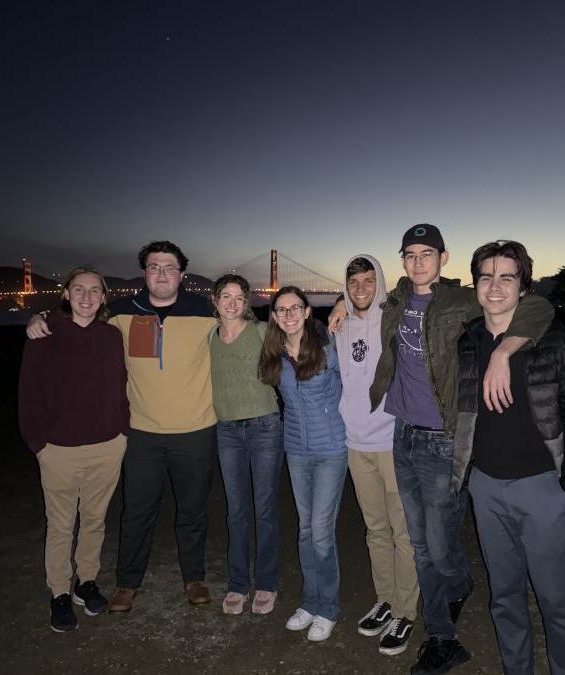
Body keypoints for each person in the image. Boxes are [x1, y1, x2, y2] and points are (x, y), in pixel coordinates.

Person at [367, 224, 555, 675]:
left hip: (443, 438)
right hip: (402, 433)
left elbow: (538, 306)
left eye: (426, 253)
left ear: (443, 258)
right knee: (422, 542)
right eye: (409, 254)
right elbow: (362, 300)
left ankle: (443, 629)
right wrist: (338, 305)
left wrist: (502, 353)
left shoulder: (462, 300)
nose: (417, 262)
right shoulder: (394, 300)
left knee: (434, 542)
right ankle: (449, 608)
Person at [26, 241, 217, 609]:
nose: (161, 273)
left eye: (169, 267)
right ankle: (128, 583)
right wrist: (40, 317)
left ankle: (194, 579)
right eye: (154, 266)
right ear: (144, 272)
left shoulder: (205, 311)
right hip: (141, 432)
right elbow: (78, 311)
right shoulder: (119, 313)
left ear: (182, 274)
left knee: (192, 511)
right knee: (137, 511)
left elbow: (248, 323)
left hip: (195, 430)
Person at [453, 240, 565, 675]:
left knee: (557, 604)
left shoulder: (555, 345)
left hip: (544, 488)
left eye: (507, 277)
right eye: (486, 276)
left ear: (524, 288)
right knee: (504, 600)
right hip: (485, 487)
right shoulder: (467, 342)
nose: (495, 286)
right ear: (475, 284)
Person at [18, 266, 129, 632]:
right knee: (61, 524)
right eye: (78, 290)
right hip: (58, 449)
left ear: (103, 297)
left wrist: (122, 431)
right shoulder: (44, 334)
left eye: (94, 290)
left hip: (107, 445)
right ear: (66, 294)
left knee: (95, 520)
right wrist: (39, 444)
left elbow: (121, 386)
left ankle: (87, 582)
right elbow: (28, 394)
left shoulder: (112, 336)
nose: (86, 297)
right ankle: (59, 593)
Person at [333, 255, 419, 657]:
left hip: (392, 442)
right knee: (375, 530)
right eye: (354, 283)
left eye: (370, 281)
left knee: (403, 533)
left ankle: (406, 611)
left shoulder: (395, 317)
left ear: (380, 282)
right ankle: (385, 600)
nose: (362, 288)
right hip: (356, 444)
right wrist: (339, 304)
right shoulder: (339, 324)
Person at [259, 286, 347, 642]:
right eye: (282, 309)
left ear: (308, 312)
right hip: (295, 449)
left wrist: (342, 301)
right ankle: (310, 601)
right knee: (306, 530)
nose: (289, 314)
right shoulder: (274, 356)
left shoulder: (328, 346)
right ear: (276, 317)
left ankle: (329, 607)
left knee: (322, 532)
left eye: (296, 308)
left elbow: (349, 386)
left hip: (331, 449)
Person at [209, 274, 283, 616]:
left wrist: (340, 308)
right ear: (215, 300)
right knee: (236, 511)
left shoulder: (262, 331)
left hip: (264, 426)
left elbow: (302, 336)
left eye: (240, 297)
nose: (233, 303)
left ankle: (266, 582)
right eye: (226, 296)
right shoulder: (209, 335)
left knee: (265, 509)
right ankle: (238, 583)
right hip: (226, 431)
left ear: (248, 302)